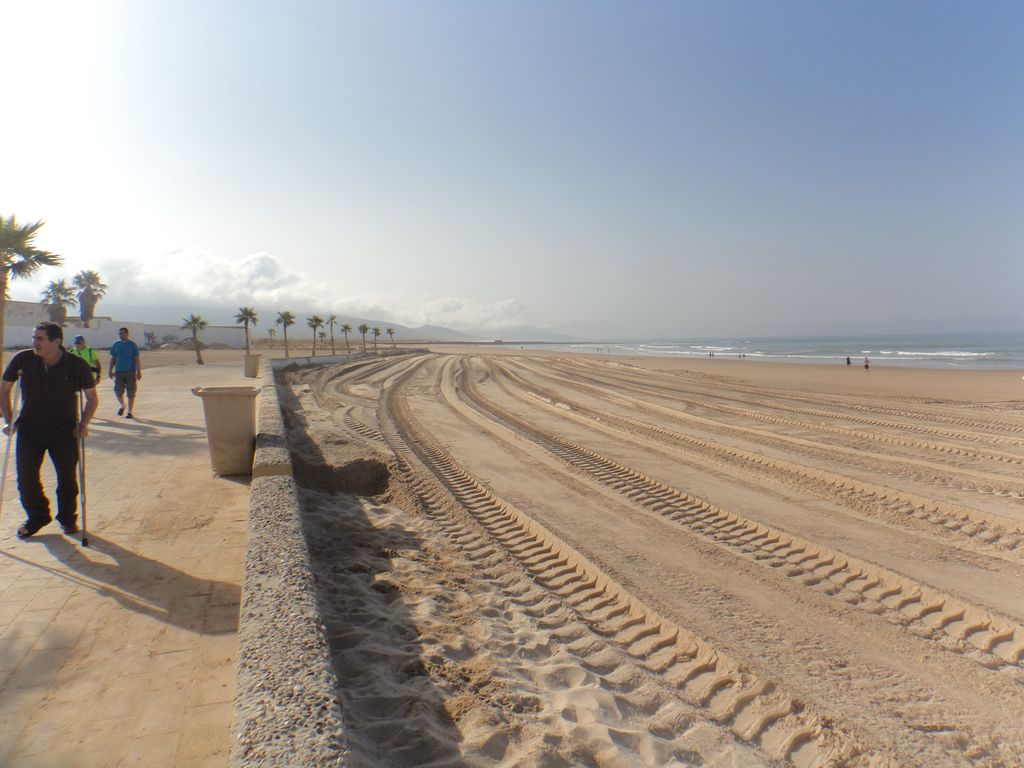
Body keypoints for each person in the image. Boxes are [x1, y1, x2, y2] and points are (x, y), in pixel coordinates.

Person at [1, 322, 98, 538]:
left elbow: (91, 398)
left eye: (40, 339)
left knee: (66, 477)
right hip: (29, 429)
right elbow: (5, 388)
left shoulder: (76, 364)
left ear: (56, 341)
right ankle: (38, 516)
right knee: (26, 476)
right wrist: (10, 420)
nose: (35, 342)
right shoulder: (22, 359)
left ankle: (67, 518)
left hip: (64, 430)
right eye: (34, 337)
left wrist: (83, 424)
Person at [109, 327, 142, 418]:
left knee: (131, 392)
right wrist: (110, 370)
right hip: (119, 372)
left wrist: (138, 371)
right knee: (118, 391)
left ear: (127, 334)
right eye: (120, 333)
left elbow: (137, 359)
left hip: (130, 372)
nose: (121, 335)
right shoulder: (116, 344)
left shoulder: (132, 345)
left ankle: (130, 411)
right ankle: (122, 405)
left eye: (123, 333)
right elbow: (113, 359)